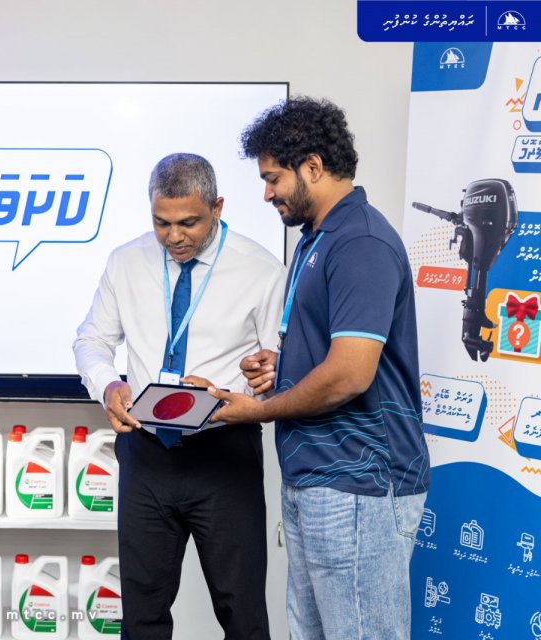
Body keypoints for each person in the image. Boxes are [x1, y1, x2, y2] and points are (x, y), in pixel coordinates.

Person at [208, 97, 430, 640]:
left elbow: (350, 374)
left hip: (360, 483)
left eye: (273, 179)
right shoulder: (318, 238)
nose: (267, 194)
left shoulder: (361, 242)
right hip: (319, 477)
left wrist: (258, 410)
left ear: (312, 166)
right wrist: (283, 365)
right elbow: (335, 351)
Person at [73, 153, 286, 640]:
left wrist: (254, 380)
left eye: (188, 222)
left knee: (244, 615)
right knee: (141, 618)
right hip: (145, 454)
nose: (174, 237)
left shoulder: (261, 270)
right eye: (161, 223)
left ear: (217, 207)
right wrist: (108, 385)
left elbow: (282, 368)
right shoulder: (126, 262)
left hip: (224, 455)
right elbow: (91, 340)